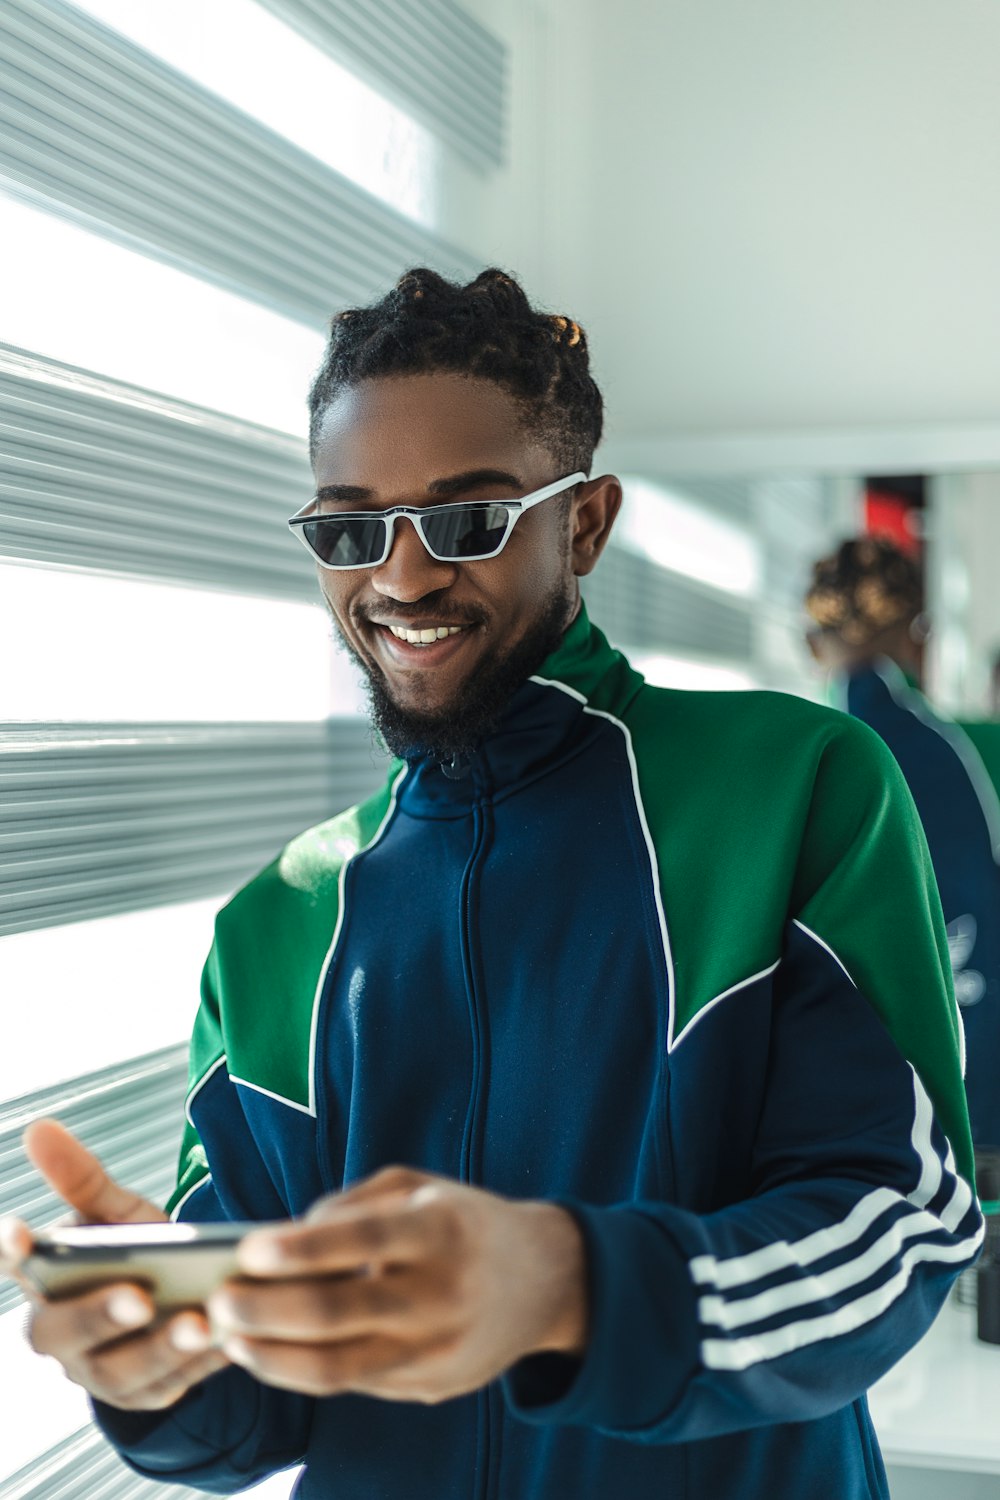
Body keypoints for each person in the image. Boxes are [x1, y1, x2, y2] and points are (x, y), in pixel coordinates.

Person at [1, 270, 983, 1500]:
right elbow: (249, 1416)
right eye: (351, 530)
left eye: (467, 520)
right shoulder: (277, 922)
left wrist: (565, 1286)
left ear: (583, 522)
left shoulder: (794, 787)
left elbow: (898, 1231)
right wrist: (154, 1360)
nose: (401, 580)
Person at [805, 536, 1000, 1149]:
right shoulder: (960, 750)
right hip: (976, 1076)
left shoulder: (804, 750)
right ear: (922, 635)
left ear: (812, 644)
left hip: (850, 1095)